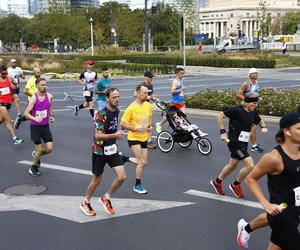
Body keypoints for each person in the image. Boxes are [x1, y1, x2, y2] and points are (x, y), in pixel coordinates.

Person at [245, 112, 300, 250]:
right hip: (281, 216)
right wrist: (266, 205)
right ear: (287, 131)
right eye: (299, 128)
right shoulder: (273, 158)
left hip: (295, 211)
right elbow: (250, 179)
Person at [210, 92, 268, 198]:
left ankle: (217, 182)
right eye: (253, 103)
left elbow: (259, 119)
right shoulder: (236, 110)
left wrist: (263, 126)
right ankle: (235, 184)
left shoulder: (253, 111)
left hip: (244, 141)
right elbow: (220, 116)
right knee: (250, 165)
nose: (255, 105)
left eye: (256, 103)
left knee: (232, 166)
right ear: (246, 103)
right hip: (234, 142)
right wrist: (223, 132)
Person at [80, 88, 127, 216]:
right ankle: (85, 202)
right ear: (107, 98)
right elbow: (98, 136)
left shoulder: (116, 110)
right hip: (100, 151)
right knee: (97, 179)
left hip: (111, 148)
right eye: (113, 97)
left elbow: (112, 129)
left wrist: (117, 134)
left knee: (122, 176)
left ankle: (106, 197)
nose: (117, 99)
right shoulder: (101, 114)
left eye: (118, 96)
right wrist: (115, 135)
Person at [121, 83, 153, 194]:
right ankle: (137, 184)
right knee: (141, 162)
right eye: (144, 93)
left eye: (147, 93)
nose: (146, 95)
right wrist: (135, 128)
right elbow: (123, 124)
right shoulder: (131, 108)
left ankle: (125, 159)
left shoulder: (148, 106)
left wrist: (149, 131)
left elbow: (149, 122)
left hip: (144, 138)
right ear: (138, 93)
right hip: (134, 138)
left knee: (144, 163)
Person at [24, 78, 54, 177]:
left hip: (45, 126)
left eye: (45, 84)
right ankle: (33, 167)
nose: (44, 86)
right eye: (42, 85)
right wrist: (35, 119)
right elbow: (26, 113)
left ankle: (36, 154)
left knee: (49, 149)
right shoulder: (34, 98)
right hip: (35, 127)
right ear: (37, 86)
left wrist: (51, 116)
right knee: (39, 148)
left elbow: (49, 108)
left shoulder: (49, 96)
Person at [237, 68, 264, 153]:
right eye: (255, 73)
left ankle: (252, 145)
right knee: (251, 126)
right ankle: (252, 146)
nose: (257, 75)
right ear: (250, 74)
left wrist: (257, 98)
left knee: (251, 126)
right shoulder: (246, 84)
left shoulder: (257, 83)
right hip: (247, 108)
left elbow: (255, 94)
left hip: (253, 107)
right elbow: (238, 94)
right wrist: (247, 100)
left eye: (257, 73)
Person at [156, 67, 186, 133]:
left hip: (181, 102)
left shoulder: (180, 81)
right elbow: (172, 91)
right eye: (181, 73)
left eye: (183, 73)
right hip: (175, 102)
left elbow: (180, 92)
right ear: (177, 74)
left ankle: (178, 128)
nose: (183, 75)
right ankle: (160, 124)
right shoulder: (175, 81)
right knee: (170, 116)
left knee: (181, 116)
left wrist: (182, 96)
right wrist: (181, 89)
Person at [0, 65, 24, 144]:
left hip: (8, 103)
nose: (5, 75)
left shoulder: (9, 78)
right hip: (1, 103)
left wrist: (15, 86)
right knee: (8, 120)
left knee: (1, 120)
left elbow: (17, 85)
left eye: (6, 73)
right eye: (3, 74)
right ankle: (15, 138)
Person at [143, 71, 160, 149]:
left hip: (147, 107)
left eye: (152, 77)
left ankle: (148, 141)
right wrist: (146, 97)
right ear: (145, 77)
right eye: (150, 77)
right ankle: (145, 141)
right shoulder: (142, 86)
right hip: (141, 108)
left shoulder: (150, 86)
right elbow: (135, 95)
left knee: (149, 125)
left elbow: (152, 96)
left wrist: (156, 99)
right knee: (144, 125)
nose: (152, 79)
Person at [7, 58, 25, 123]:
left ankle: (5, 114)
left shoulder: (19, 69)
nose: (14, 63)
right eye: (13, 62)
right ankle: (19, 114)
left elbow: (23, 77)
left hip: (17, 86)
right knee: (17, 99)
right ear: (11, 63)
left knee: (11, 101)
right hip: (11, 87)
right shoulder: (8, 70)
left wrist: (20, 75)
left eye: (15, 62)